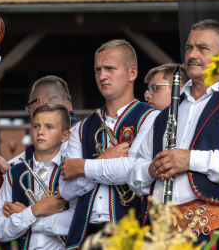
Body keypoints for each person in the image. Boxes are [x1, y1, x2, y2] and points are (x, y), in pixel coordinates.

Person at [127, 19, 219, 248]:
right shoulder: (165, 115)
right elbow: (134, 169)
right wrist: (151, 170)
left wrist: (189, 159)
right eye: (189, 48)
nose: (192, 54)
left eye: (203, 48)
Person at [59, 39, 159, 249]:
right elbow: (66, 190)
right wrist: (103, 160)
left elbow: (132, 169)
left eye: (110, 68)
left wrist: (83, 167)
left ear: (132, 73)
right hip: (85, 235)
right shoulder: (81, 127)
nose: (102, 76)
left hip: (132, 232)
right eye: (98, 69)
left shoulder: (151, 117)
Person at [0, 102, 77, 250]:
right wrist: (35, 210)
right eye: (36, 126)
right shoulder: (14, 173)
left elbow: (77, 223)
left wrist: (25, 216)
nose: (40, 132)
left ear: (65, 135)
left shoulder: (72, 171)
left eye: (49, 127)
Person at [0, 75, 79, 174]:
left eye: (30, 107)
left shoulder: (48, 141)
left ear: (40, 103)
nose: (30, 114)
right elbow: (10, 169)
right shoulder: (86, 132)